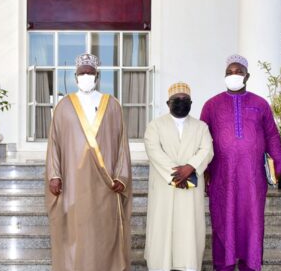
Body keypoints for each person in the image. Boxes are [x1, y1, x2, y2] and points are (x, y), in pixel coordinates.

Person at [45, 53, 132, 271]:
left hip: (106, 184)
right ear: (75, 77)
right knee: (75, 234)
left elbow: (122, 145)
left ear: (97, 76)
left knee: (103, 233)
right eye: (82, 73)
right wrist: (54, 175)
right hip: (73, 184)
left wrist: (121, 176)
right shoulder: (63, 106)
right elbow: (53, 144)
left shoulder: (112, 105)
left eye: (90, 73)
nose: (86, 76)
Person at [200, 54, 281, 271]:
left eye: (238, 72)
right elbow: (201, 139)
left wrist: (277, 167)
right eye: (230, 72)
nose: (234, 76)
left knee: (252, 221)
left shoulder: (260, 104)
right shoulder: (211, 105)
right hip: (222, 177)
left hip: (252, 178)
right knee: (223, 221)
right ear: (224, 76)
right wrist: (204, 171)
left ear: (248, 76)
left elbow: (272, 135)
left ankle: (250, 264)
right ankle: (224, 265)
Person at [144, 82, 214, 271]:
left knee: (189, 229)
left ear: (191, 103)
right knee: (162, 226)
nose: (181, 102)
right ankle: (161, 265)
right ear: (168, 103)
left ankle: (189, 265)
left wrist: (190, 167)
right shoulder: (155, 125)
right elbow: (153, 151)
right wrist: (177, 175)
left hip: (191, 186)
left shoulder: (201, 127)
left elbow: (207, 149)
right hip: (164, 186)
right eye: (177, 99)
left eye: (185, 99)